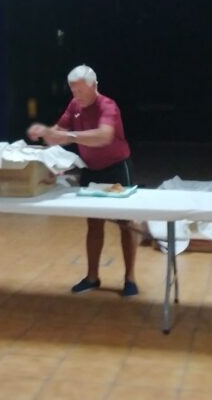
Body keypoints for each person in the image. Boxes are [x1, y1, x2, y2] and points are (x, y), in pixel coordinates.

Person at [27, 64, 140, 297]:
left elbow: (103, 136)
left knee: (126, 223)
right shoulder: (74, 106)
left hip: (117, 169)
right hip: (91, 170)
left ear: (94, 86)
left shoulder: (108, 105)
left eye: (80, 91)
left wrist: (68, 136)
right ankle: (92, 277)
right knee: (93, 223)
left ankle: (130, 278)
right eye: (73, 91)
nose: (76, 95)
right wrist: (45, 132)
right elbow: (57, 133)